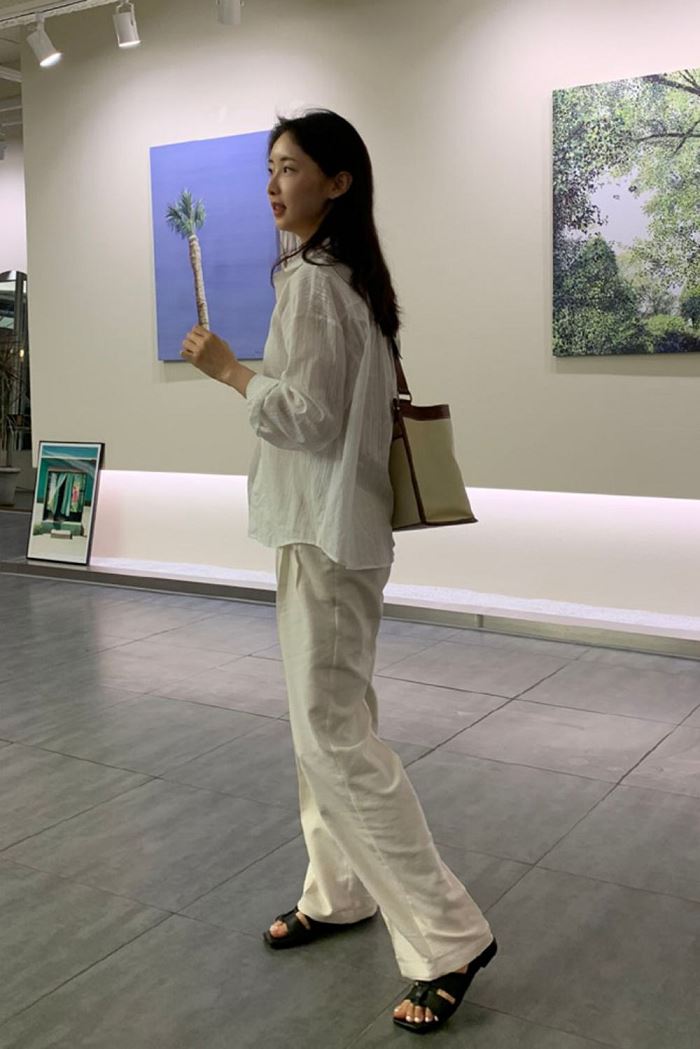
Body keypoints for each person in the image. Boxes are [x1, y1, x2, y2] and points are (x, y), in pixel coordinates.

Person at [180, 108, 497, 1034]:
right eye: (271, 168)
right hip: (328, 529)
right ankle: (339, 890)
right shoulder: (343, 277)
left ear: (338, 181)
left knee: (334, 739)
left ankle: (449, 936)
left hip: (324, 534)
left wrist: (231, 371)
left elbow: (308, 417)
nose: (273, 184)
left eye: (290, 167)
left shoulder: (315, 284)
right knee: (328, 724)